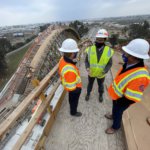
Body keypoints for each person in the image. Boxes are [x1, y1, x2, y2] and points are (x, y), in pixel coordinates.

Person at [105, 38, 150, 134]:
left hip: (122, 101)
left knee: (118, 113)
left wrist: (118, 102)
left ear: (134, 57)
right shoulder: (129, 64)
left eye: (127, 54)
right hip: (117, 96)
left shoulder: (141, 77)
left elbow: (131, 98)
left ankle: (115, 127)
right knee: (115, 110)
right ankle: (113, 115)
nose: (124, 55)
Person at [85, 29, 114, 102]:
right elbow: (86, 61)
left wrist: (105, 70)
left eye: (101, 40)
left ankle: (101, 95)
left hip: (101, 74)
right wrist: (87, 68)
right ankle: (88, 93)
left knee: (101, 85)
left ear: (105, 40)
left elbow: (109, 63)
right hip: (91, 73)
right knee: (90, 84)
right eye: (97, 39)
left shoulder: (109, 51)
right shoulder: (90, 49)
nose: (98, 41)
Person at [58, 38, 82, 117]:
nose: (76, 53)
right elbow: (72, 87)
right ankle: (73, 112)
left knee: (71, 100)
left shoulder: (62, 59)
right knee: (74, 101)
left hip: (68, 85)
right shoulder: (69, 69)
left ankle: (72, 109)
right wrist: (78, 89)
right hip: (74, 89)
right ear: (72, 54)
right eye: (75, 52)